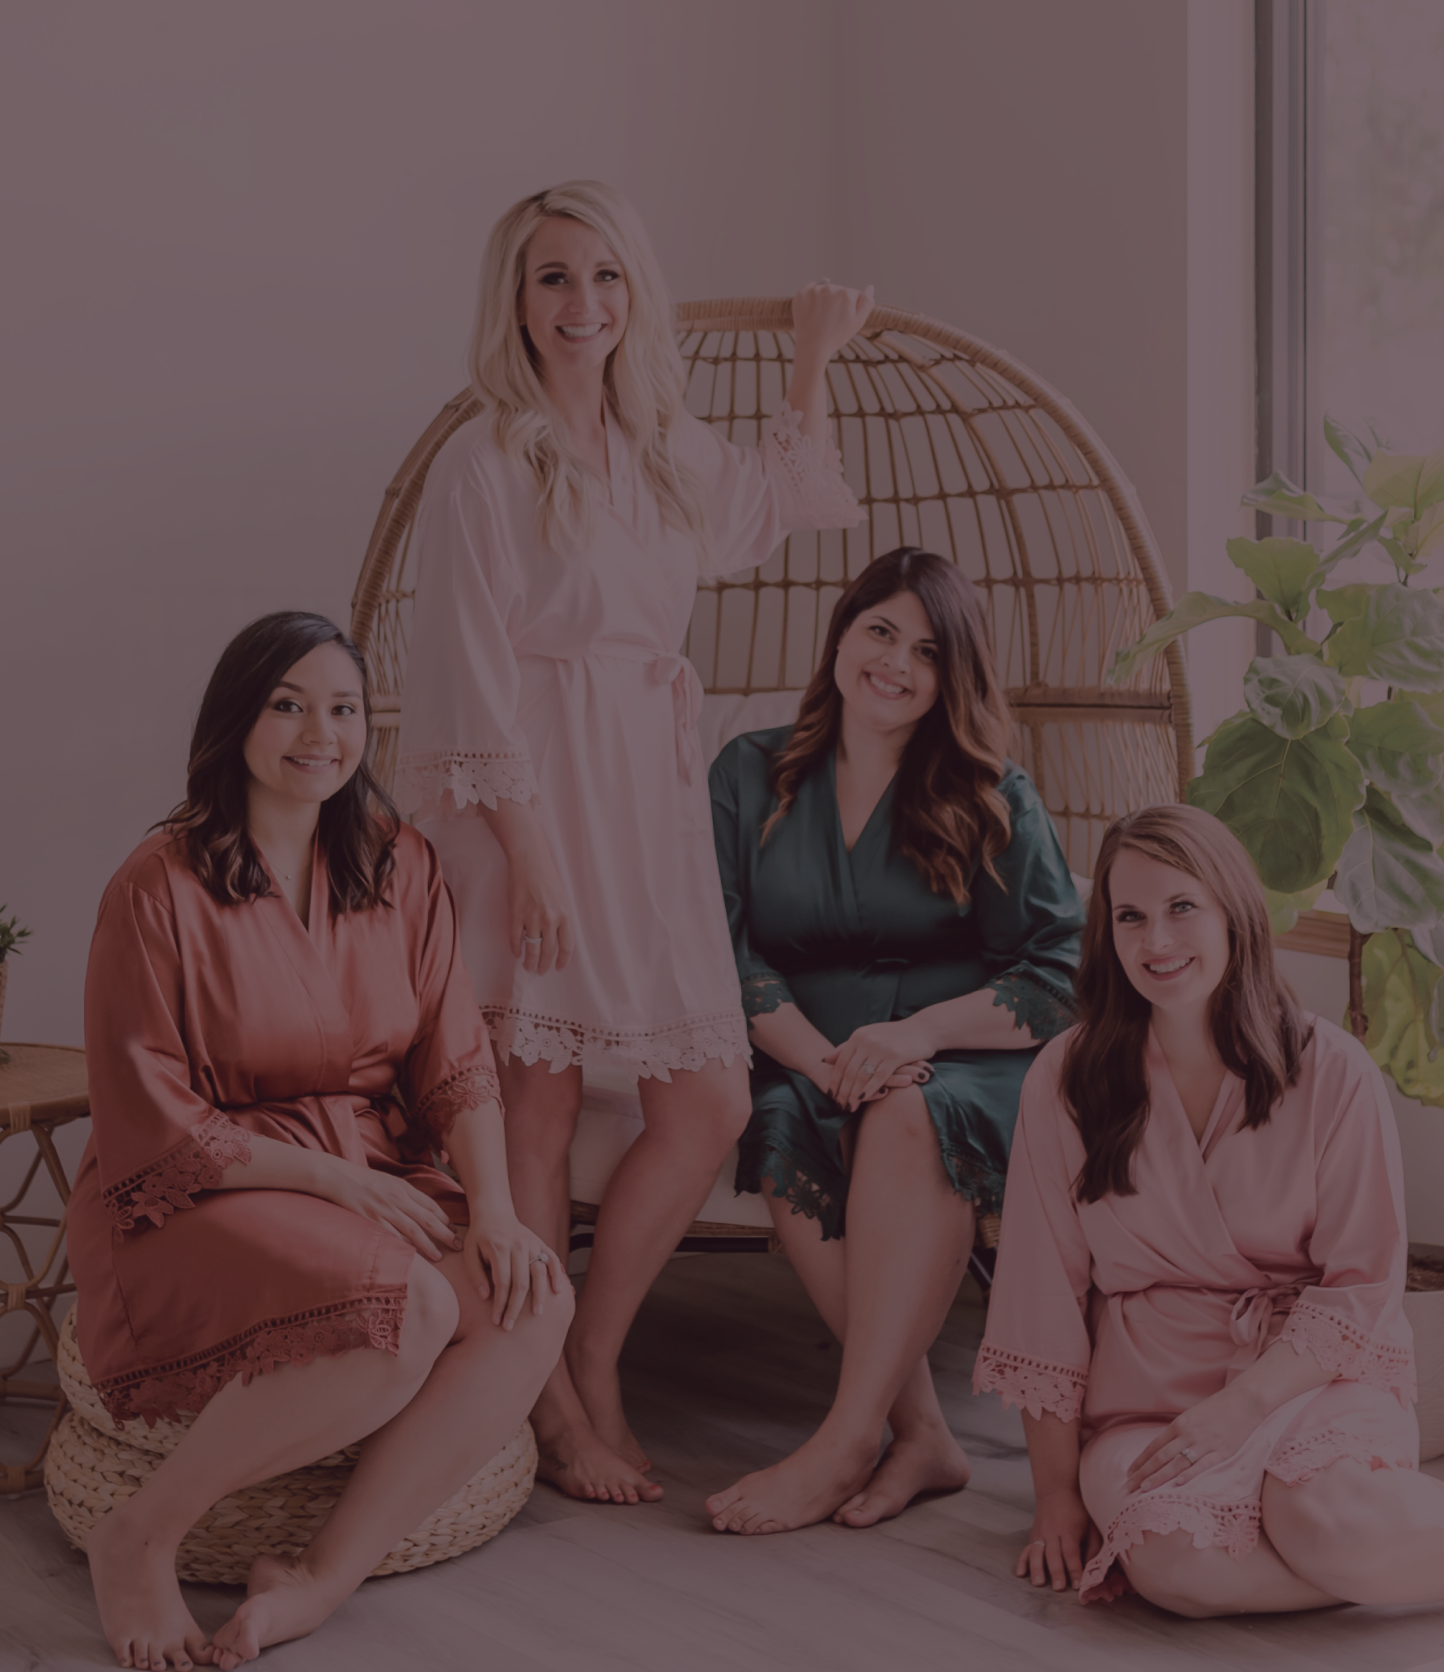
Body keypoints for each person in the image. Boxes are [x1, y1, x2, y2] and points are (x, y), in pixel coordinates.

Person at [395, 180, 869, 1505]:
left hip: (645, 800)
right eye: (553, 278)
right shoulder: (484, 458)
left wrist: (813, 359)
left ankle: (589, 1354)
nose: (583, 304)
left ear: (634, 294)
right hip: (530, 803)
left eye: (605, 277)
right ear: (516, 299)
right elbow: (471, 671)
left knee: (707, 1098)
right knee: (533, 1104)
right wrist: (529, 850)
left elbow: (780, 500)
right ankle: (543, 1396)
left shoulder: (662, 444)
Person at [67, 612, 571, 1672]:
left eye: (342, 708)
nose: (319, 732)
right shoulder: (156, 884)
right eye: (288, 703)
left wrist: (494, 1208)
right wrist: (328, 1176)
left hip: (373, 1171)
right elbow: (145, 1106)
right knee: (414, 1307)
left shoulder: (400, 862)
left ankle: (318, 1575)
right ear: (236, 718)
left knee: (532, 1294)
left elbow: (455, 1053)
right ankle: (140, 1533)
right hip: (203, 1187)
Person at [974, 800, 1444, 1617]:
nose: (1156, 942)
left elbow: (1363, 1285)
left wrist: (1245, 1406)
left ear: (1234, 911)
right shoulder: (1067, 1079)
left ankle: (1340, 1545)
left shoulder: (1332, 1070)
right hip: (1146, 1400)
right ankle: (1360, 1567)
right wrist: (1055, 1496)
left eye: (1181, 908)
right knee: (1172, 1563)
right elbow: (1039, 1302)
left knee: (1322, 1512)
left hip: (1305, 1379)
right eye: (1131, 917)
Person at [704, 547, 1084, 1537]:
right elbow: (713, 944)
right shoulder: (747, 772)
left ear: (950, 673)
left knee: (913, 1109)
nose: (896, 662)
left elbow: (1058, 973)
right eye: (880, 630)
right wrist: (818, 1057)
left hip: (960, 1053)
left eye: (926, 649)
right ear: (840, 631)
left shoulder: (992, 787)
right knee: (781, 1123)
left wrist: (911, 1032)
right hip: (804, 1051)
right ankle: (921, 1433)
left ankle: (844, 1436)